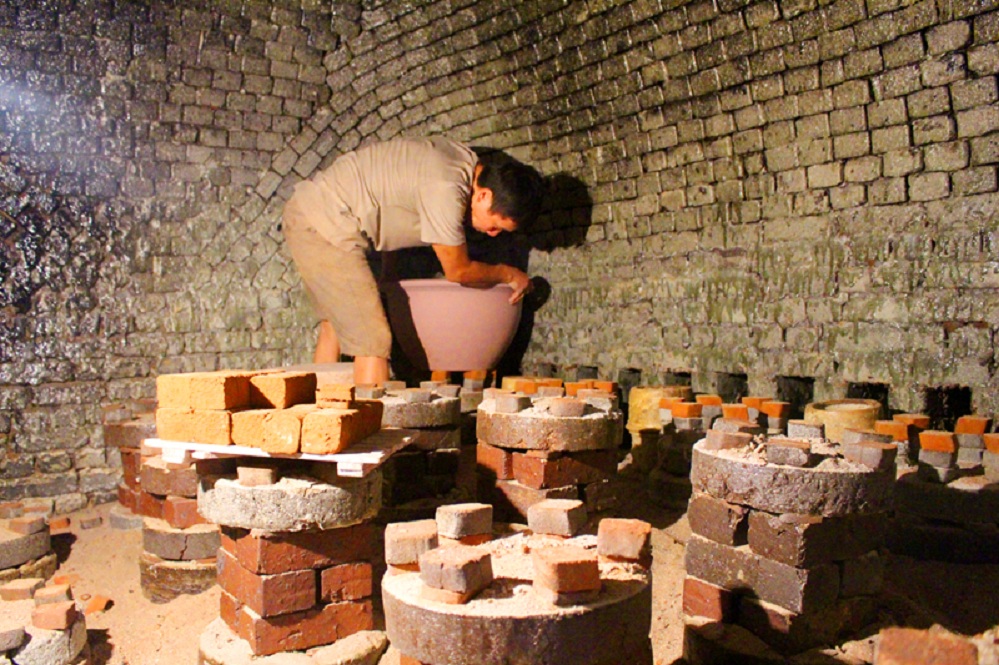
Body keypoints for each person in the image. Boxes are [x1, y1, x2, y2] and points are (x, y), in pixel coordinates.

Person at [282, 136, 544, 385]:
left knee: (335, 325)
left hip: (313, 211)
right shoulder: (446, 188)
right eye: (495, 225)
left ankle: (320, 412)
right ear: (484, 195)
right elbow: (458, 270)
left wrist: (387, 274)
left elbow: (392, 199)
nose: (492, 234)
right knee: (372, 340)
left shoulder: (461, 163)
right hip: (325, 224)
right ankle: (376, 418)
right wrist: (510, 274)